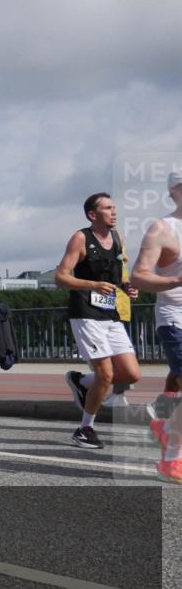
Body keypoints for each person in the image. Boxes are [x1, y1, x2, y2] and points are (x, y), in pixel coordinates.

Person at [55, 193, 141, 449]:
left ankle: (82, 382)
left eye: (114, 207)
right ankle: (84, 429)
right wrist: (93, 284)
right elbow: (61, 277)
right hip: (85, 314)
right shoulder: (81, 238)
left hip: (109, 313)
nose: (114, 212)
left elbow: (114, 277)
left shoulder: (117, 238)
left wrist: (126, 287)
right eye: (107, 208)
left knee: (130, 373)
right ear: (93, 215)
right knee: (105, 374)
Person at [128, 170, 182, 484]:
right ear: (174, 191)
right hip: (175, 318)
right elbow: (138, 276)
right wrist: (177, 280)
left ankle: (166, 424)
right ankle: (172, 460)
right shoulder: (162, 228)